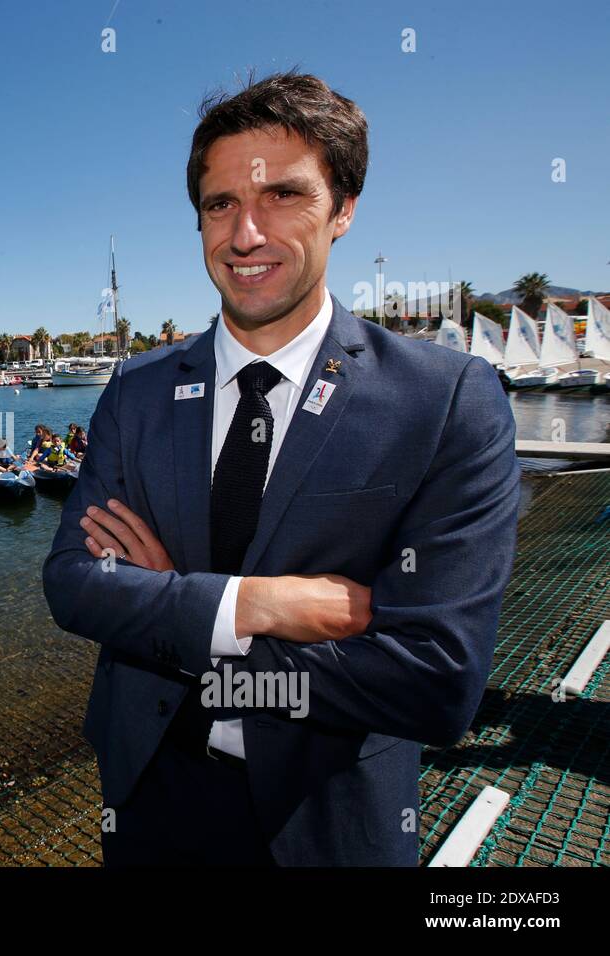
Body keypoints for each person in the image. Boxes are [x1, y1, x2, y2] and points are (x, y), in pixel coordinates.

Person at [42, 72, 519, 867]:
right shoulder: (137, 390)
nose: (246, 234)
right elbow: (72, 585)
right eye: (220, 204)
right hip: (147, 797)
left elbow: (435, 684)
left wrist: (183, 619)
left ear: (344, 209)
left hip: (328, 819)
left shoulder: (445, 403)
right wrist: (257, 603)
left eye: (285, 196)